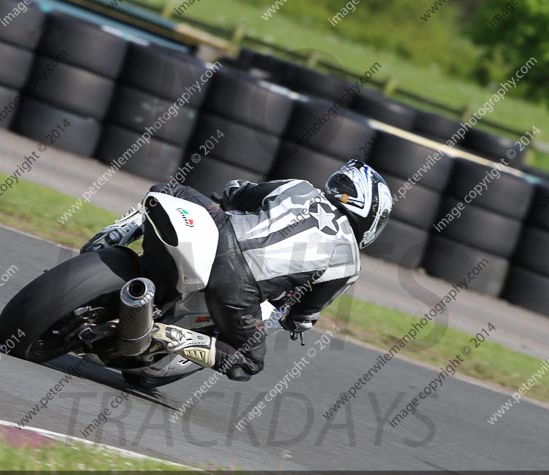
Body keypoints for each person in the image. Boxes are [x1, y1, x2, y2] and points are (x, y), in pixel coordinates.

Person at [93, 159, 392, 381]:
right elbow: (301, 315)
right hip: (239, 288)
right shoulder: (349, 262)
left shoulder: (300, 188)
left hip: (218, 232)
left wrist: (228, 204)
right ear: (371, 217)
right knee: (249, 361)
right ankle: (167, 334)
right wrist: (296, 322)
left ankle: (121, 230)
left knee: (169, 190)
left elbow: (236, 192)